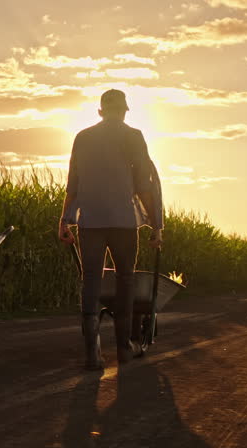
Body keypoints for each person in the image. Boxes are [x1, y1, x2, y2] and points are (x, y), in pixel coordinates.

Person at [59, 89, 164, 370]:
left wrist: (64, 220)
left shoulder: (83, 137)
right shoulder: (133, 136)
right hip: (123, 220)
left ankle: (92, 353)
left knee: (91, 279)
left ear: (101, 111)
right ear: (125, 111)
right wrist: (156, 225)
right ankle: (123, 347)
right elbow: (144, 184)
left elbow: (73, 182)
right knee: (126, 279)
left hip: (90, 220)